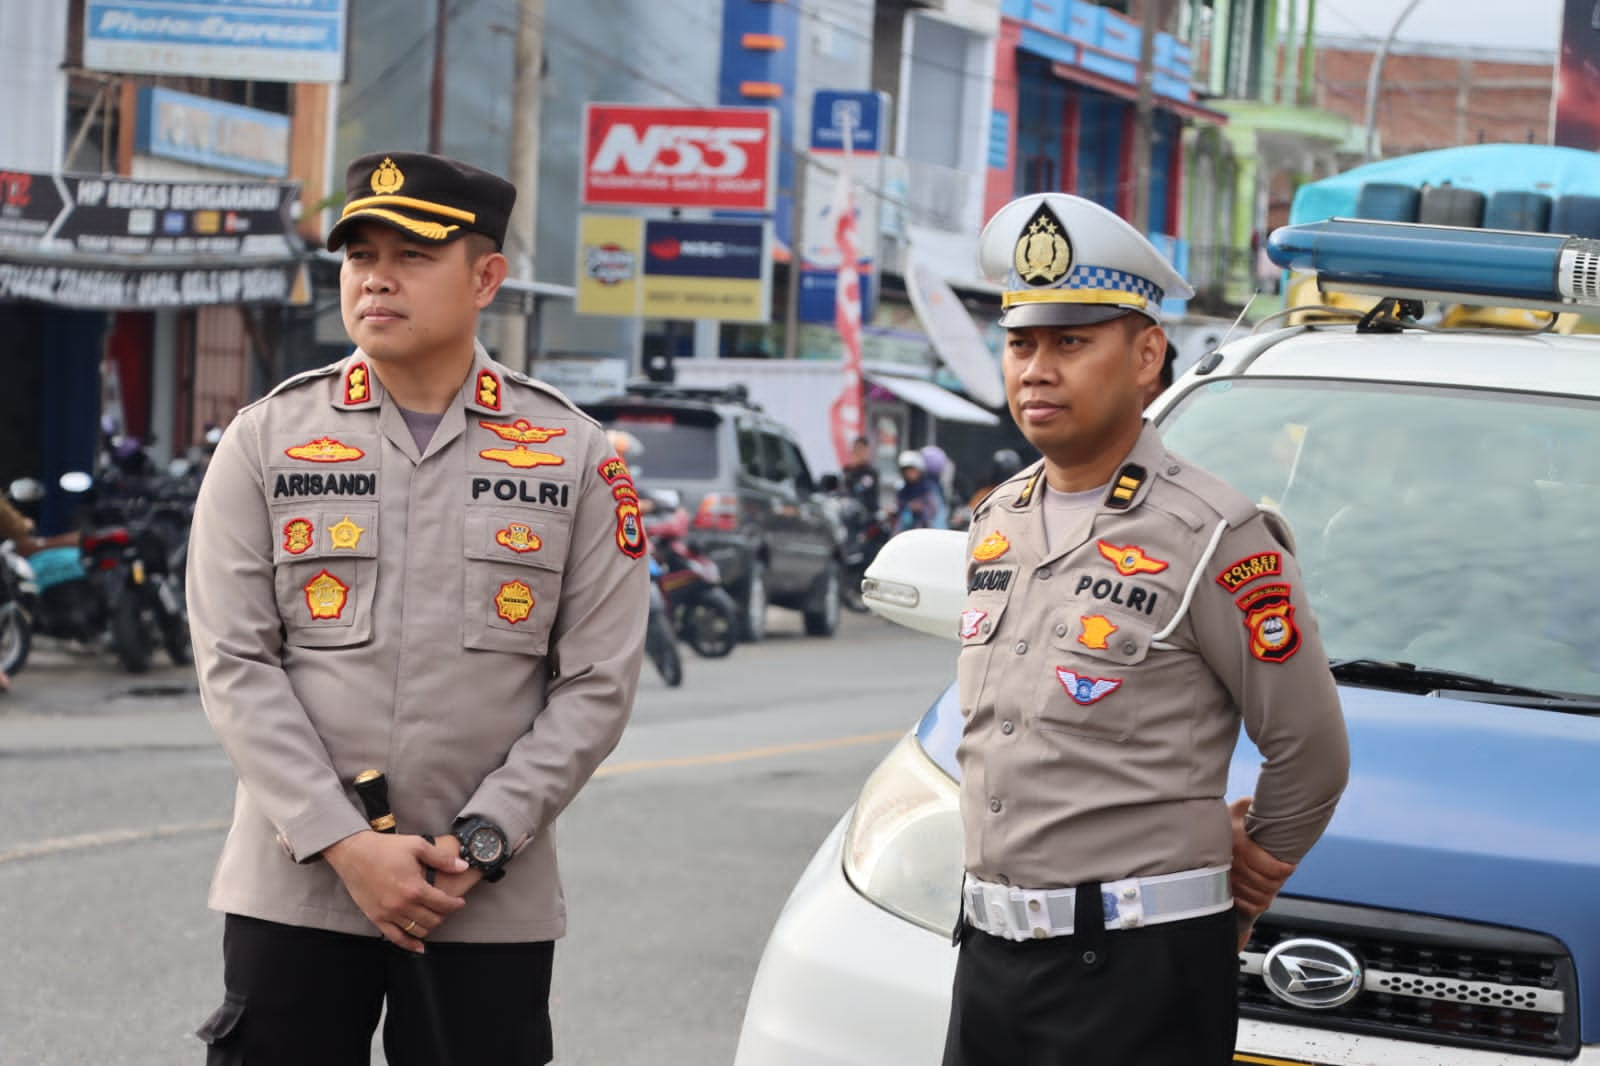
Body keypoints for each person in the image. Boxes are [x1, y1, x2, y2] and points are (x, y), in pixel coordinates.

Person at [186, 151, 649, 1066]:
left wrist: (478, 844)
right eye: (360, 255)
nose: (377, 278)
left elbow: (598, 684)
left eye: (412, 255)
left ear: (486, 278)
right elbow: (234, 664)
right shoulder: (267, 439)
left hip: (479, 896)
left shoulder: (573, 454)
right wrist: (345, 845)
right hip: (299, 883)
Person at [944, 192, 1349, 1066]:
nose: (1037, 370)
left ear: (1146, 357)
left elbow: (1310, 749)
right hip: (986, 956)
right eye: (1021, 344)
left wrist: (1245, 882)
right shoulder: (998, 520)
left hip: (1137, 969)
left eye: (1071, 342)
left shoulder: (1214, 534)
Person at [893, 449, 942, 530]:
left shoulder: (927, 489)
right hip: (905, 532)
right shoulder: (902, 490)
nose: (909, 474)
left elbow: (935, 512)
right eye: (906, 471)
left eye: (912, 471)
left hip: (924, 531)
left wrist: (921, 508)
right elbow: (899, 509)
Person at [839, 435, 881, 517]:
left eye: (861, 449)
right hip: (847, 513)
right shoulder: (847, 470)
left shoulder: (870, 472)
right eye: (856, 449)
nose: (858, 452)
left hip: (867, 514)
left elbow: (858, 489)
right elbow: (843, 489)